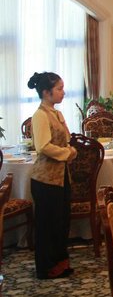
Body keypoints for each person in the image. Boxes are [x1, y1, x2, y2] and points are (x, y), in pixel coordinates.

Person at [28, 71, 78, 279]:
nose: (63, 92)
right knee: (47, 225)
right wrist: (67, 153)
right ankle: (46, 267)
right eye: (59, 89)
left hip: (61, 176)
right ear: (46, 92)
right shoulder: (40, 115)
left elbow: (65, 139)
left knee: (61, 222)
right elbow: (43, 146)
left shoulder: (57, 114)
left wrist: (70, 149)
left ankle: (60, 263)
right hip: (45, 179)